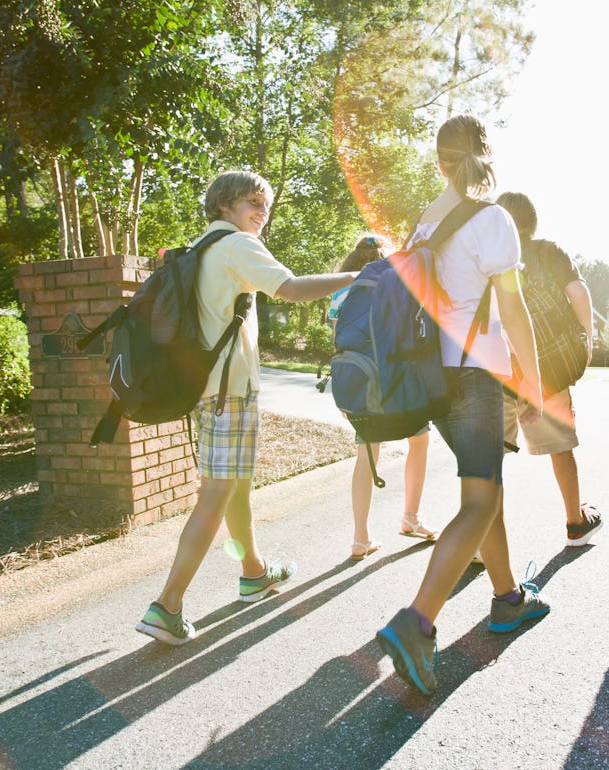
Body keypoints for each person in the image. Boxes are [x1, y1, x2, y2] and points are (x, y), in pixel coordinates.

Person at [135, 170, 360, 646]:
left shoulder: (201, 248)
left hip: (209, 389)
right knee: (217, 494)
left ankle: (254, 572)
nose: (262, 211)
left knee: (235, 490)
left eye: (266, 204)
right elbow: (292, 288)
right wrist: (360, 276)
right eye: (252, 202)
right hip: (229, 392)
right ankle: (167, 605)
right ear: (224, 205)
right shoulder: (237, 246)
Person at [375, 115, 550, 696]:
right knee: (479, 500)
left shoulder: (423, 224)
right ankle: (416, 620)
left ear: (438, 160)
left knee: (484, 489)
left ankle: (507, 599)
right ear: (484, 154)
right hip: (476, 378)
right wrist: (536, 382)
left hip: (431, 381)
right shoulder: (492, 218)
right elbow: (514, 309)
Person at [496, 192, 602, 547]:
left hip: (499, 370)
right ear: (531, 219)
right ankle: (575, 521)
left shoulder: (491, 259)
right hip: (548, 366)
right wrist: (585, 338)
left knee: (488, 456)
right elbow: (579, 292)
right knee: (561, 447)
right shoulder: (548, 251)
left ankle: (481, 538)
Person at [328, 234, 438, 560]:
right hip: (394, 383)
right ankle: (411, 518)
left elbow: (337, 339)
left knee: (367, 454)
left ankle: (360, 538)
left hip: (357, 382)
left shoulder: (342, 291)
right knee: (419, 441)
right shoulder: (391, 283)